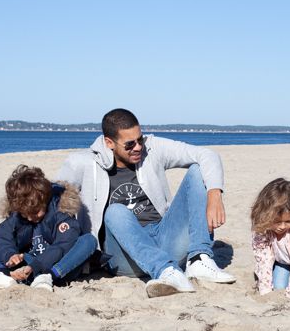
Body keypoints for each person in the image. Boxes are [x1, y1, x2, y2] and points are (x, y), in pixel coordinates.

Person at [56, 108, 235, 298]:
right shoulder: (82, 162)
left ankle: (199, 258)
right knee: (116, 211)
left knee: (197, 170)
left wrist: (214, 194)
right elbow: (53, 200)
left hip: (163, 239)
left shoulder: (152, 149)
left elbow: (207, 155)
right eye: (129, 144)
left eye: (139, 139)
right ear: (109, 143)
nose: (138, 147)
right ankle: (166, 271)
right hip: (123, 255)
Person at [0, 165, 97, 291]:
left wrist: (37, 266)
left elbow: (62, 245)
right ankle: (4, 275)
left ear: (45, 199)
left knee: (89, 241)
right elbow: (3, 236)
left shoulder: (61, 211)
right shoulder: (18, 213)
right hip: (27, 263)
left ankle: (48, 277)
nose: (31, 218)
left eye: (35, 212)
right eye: (25, 214)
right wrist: (11, 255)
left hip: (56, 266)